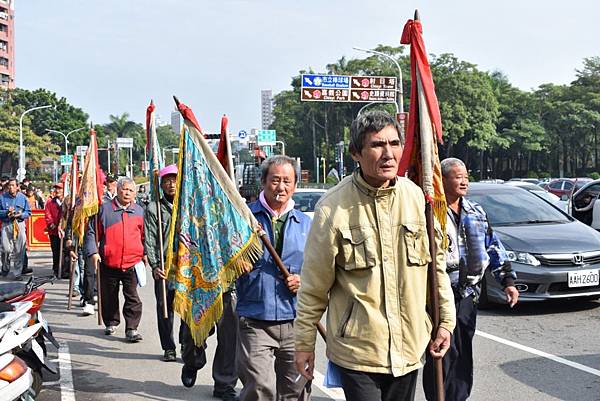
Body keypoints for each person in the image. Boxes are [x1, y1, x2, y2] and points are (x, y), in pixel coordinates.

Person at [294, 111, 456, 401]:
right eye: (377, 145)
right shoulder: (333, 208)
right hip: (358, 351)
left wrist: (445, 321)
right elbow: (313, 286)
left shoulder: (416, 198)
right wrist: (304, 343)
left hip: (409, 346)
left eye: (394, 144)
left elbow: (437, 269)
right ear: (356, 152)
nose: (388, 153)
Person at [422, 158, 519, 401]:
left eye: (466, 176)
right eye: (457, 176)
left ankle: (459, 397)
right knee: (443, 350)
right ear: (442, 180)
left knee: (463, 350)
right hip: (438, 295)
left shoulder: (476, 211)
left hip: (468, 295)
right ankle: (438, 396)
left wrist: (507, 280)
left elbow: (493, 246)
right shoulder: (430, 213)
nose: (464, 181)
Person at [236, 155, 312, 401]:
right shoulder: (244, 218)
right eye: (275, 180)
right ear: (263, 182)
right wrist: (236, 264)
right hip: (255, 317)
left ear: (295, 185)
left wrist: (302, 280)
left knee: (294, 390)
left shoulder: (306, 224)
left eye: (287, 181)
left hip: (295, 320)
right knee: (259, 387)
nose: (281, 187)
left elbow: (318, 269)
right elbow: (221, 258)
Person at [85, 177, 144, 342]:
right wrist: (93, 252)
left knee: (132, 297)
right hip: (109, 261)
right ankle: (111, 322)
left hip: (132, 262)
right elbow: (91, 232)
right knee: (109, 295)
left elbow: (145, 236)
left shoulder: (139, 211)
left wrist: (145, 255)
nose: (127, 193)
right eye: (124, 189)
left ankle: (132, 328)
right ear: (117, 190)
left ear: (134, 194)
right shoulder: (104, 210)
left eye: (131, 190)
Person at [0, 178, 32, 280]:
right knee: (5, 249)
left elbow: (28, 212)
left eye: (13, 185)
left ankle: (17, 273)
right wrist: (6, 212)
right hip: (7, 224)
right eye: (9, 185)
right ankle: (5, 268)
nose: (11, 187)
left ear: (17, 187)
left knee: (19, 249)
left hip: (19, 224)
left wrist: (21, 214)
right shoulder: (2, 197)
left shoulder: (22, 198)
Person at [45, 183, 65, 278]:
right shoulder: (50, 202)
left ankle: (65, 270)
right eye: (56, 189)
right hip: (54, 231)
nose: (57, 191)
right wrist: (51, 223)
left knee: (66, 251)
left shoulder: (67, 201)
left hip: (65, 231)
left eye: (60, 189)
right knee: (56, 250)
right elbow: (47, 214)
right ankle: (56, 269)